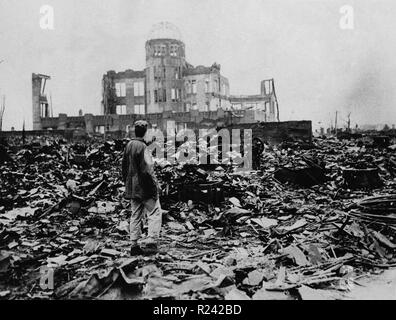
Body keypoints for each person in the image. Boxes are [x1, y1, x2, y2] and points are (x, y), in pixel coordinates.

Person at [122, 120, 162, 255]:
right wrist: (155, 185)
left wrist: (127, 184)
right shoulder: (144, 148)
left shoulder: (129, 145)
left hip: (133, 188)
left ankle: (134, 245)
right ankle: (151, 242)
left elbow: (124, 167)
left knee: (136, 214)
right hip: (145, 188)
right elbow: (148, 171)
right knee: (154, 212)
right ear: (145, 132)